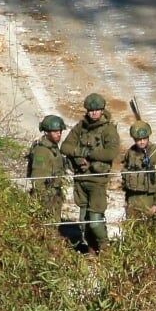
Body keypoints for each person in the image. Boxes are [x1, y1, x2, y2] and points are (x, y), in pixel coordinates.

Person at [60, 93, 120, 251]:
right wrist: (80, 153)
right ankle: (92, 248)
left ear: (102, 110)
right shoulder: (81, 127)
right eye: (90, 110)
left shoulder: (108, 129)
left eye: (97, 110)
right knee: (83, 220)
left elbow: (111, 153)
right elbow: (65, 147)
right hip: (80, 179)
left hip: (97, 180)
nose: (93, 113)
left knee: (95, 220)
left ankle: (105, 247)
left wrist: (87, 154)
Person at [121, 121, 156, 219]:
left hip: (150, 201)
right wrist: (127, 201)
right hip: (133, 201)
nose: (142, 142)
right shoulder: (130, 153)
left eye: (144, 139)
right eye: (138, 139)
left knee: (151, 230)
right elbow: (125, 177)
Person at [26, 115, 68, 222]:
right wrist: (43, 201)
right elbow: (37, 179)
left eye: (59, 131)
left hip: (54, 194)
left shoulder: (53, 147)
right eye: (54, 132)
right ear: (46, 132)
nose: (58, 134)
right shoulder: (42, 151)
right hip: (46, 196)